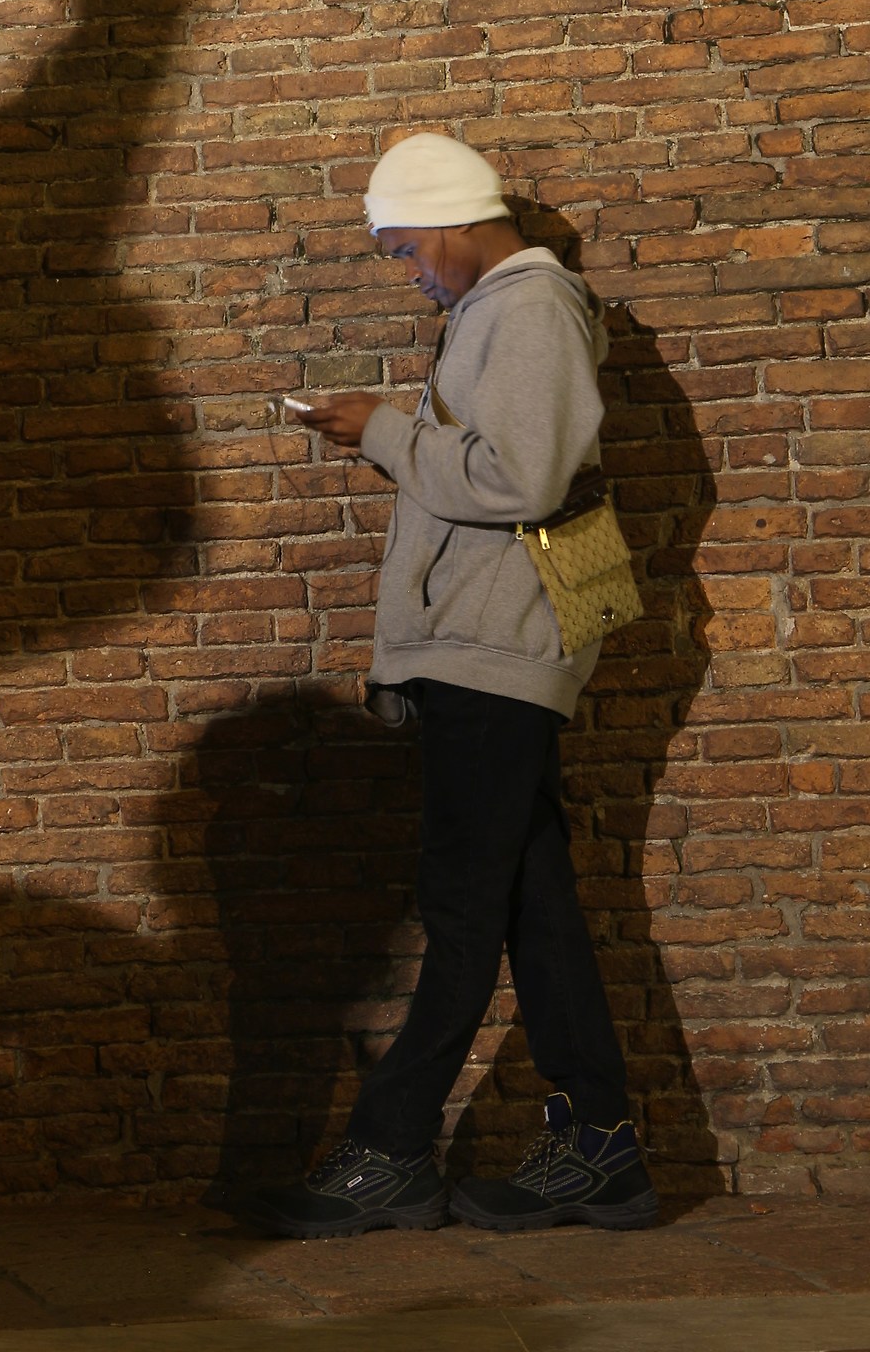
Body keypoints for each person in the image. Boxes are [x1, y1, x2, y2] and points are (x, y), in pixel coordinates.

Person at [256, 132, 657, 1239]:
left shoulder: (527, 307)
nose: (408, 273)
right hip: (487, 647)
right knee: (533, 906)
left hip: (495, 650)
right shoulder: (499, 312)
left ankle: (389, 1151)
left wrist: (383, 431)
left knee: (462, 907)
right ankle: (601, 1150)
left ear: (452, 221)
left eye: (404, 250)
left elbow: (521, 478)